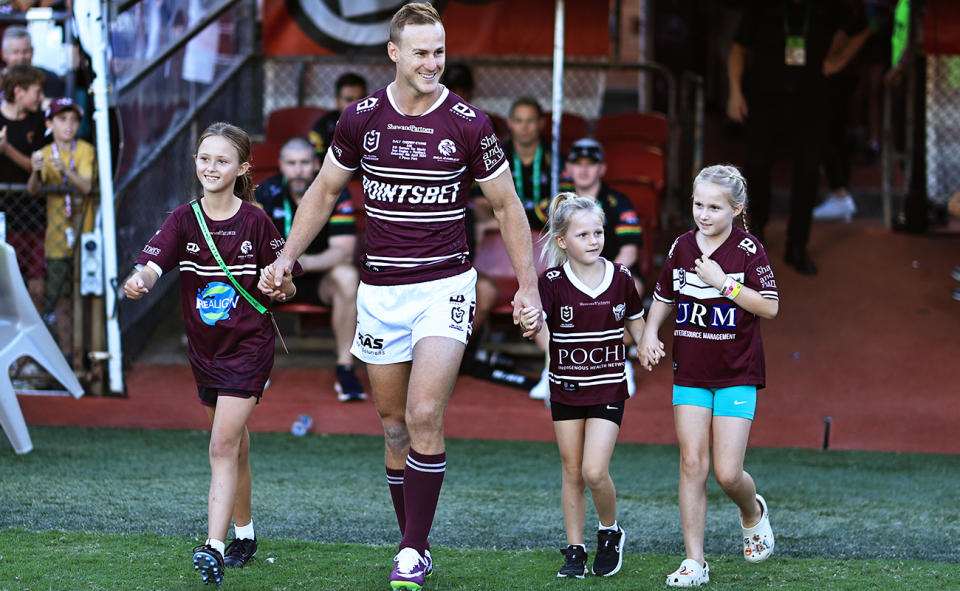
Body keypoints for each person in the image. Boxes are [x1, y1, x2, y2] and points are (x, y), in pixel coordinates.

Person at [261, 4, 542, 589]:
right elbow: (320, 193)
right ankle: (411, 537)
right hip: (380, 291)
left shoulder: (470, 123)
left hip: (445, 286)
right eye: (420, 52)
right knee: (392, 427)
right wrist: (286, 258)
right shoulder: (360, 118)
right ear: (394, 53)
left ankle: (413, 550)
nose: (432, 62)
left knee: (422, 414)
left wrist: (528, 288)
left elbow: (508, 207)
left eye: (439, 51)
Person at [124, 122, 298, 587]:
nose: (211, 167)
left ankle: (213, 546)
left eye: (222, 160)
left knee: (221, 444)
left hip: (249, 347)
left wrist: (277, 283)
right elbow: (154, 263)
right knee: (235, 444)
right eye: (204, 158)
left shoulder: (257, 222)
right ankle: (246, 533)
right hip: (204, 350)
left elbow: (289, 281)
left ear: (243, 168)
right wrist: (140, 280)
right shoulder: (183, 218)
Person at [639, 164, 779, 588]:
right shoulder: (682, 247)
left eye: (715, 207)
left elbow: (770, 307)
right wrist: (648, 333)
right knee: (691, 463)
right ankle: (694, 561)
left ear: (736, 209)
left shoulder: (749, 250)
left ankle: (752, 511)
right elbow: (664, 295)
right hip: (691, 373)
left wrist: (724, 284)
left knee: (727, 473)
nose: (703, 214)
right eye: (698, 204)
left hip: (738, 373)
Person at [517, 192, 649, 579]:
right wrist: (529, 322)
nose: (594, 240)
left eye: (598, 232)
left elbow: (637, 323)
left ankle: (609, 532)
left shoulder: (621, 277)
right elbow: (535, 323)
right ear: (562, 242)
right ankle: (575, 549)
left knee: (594, 470)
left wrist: (648, 344)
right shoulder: (552, 282)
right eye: (583, 235)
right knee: (571, 471)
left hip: (609, 386)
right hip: (566, 388)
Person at [727, 0, 863, 275]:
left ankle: (797, 247)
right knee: (756, 167)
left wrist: (838, 60)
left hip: (810, 99)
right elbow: (738, 49)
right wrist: (735, 92)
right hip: (765, 97)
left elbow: (863, 29)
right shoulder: (762, 7)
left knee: (807, 171)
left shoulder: (826, 7)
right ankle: (756, 238)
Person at [528, 138, 646, 400]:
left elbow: (630, 251)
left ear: (602, 168)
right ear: (568, 167)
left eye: (590, 164)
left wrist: (604, 278)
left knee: (631, 287)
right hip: (567, 280)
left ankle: (620, 361)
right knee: (537, 297)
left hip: (610, 276)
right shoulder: (559, 203)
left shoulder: (618, 201)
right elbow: (522, 221)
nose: (583, 170)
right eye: (577, 163)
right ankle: (552, 368)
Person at [255, 136, 366, 402]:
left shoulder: (336, 192)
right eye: (292, 163)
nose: (298, 170)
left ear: (317, 164)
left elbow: (343, 252)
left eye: (305, 162)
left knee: (348, 276)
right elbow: (252, 250)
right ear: (281, 165)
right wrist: (277, 271)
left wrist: (297, 264)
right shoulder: (264, 193)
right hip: (275, 280)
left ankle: (345, 367)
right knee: (246, 276)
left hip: (318, 279)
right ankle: (254, 365)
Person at [26, 97, 96, 357]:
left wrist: (65, 170)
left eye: (73, 119)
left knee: (89, 295)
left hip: (85, 233)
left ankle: (88, 354)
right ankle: (68, 356)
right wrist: (34, 171)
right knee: (63, 298)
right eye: (61, 119)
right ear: (49, 124)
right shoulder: (43, 154)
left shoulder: (86, 150)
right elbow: (33, 190)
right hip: (56, 237)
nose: (68, 125)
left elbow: (87, 186)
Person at [0, 64, 48, 308]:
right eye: (37, 92)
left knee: (37, 286)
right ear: (19, 92)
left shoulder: (38, 121)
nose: (41, 98)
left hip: (32, 214)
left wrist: (6, 149)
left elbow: (36, 165)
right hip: (3, 216)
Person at [309, 72, 367, 161]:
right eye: (349, 100)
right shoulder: (323, 126)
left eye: (361, 99)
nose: (356, 105)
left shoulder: (377, 124)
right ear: (337, 102)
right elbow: (315, 161)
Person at [1, 26, 65, 100]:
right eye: (15, 52)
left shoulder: (49, 79)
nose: (21, 58)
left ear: (32, 51)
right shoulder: (1, 80)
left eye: (25, 51)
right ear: (3, 54)